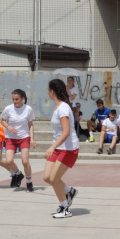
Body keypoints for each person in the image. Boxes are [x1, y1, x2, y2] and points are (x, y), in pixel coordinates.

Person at [43, 79, 79, 219]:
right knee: (47, 177)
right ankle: (69, 191)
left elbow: (66, 132)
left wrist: (52, 146)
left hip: (68, 148)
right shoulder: (57, 107)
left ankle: (65, 208)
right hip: (59, 147)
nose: (48, 92)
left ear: (52, 91)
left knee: (54, 178)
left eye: (48, 89)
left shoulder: (63, 108)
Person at [0, 89, 37, 192]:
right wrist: (8, 127)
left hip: (24, 137)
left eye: (17, 99)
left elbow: (30, 125)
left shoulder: (28, 109)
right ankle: (18, 174)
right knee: (9, 161)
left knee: (25, 161)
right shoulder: (8, 109)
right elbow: (2, 120)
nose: (14, 101)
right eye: (13, 99)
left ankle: (29, 182)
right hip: (10, 138)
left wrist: (32, 139)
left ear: (22, 98)